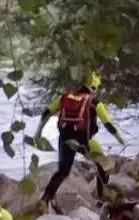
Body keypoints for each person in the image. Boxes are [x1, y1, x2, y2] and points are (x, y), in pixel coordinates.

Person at [34, 72, 125, 212]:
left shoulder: (65, 97)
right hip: (84, 141)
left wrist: (38, 132)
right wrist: (120, 140)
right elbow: (108, 123)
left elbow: (47, 112)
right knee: (103, 165)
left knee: (63, 171)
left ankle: (45, 199)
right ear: (93, 87)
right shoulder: (95, 102)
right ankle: (101, 200)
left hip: (65, 139)